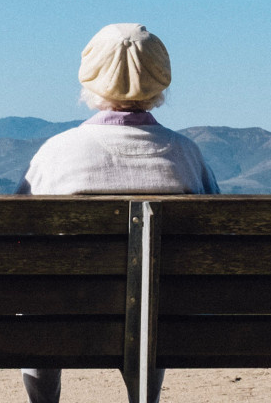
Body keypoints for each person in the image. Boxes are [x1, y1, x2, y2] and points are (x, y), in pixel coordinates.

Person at [18, 23, 219, 403]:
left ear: (90, 80)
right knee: (151, 298)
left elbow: (17, 237)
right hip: (160, 322)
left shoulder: (57, 152)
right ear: (161, 80)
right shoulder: (186, 154)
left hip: (66, 317)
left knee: (39, 302)